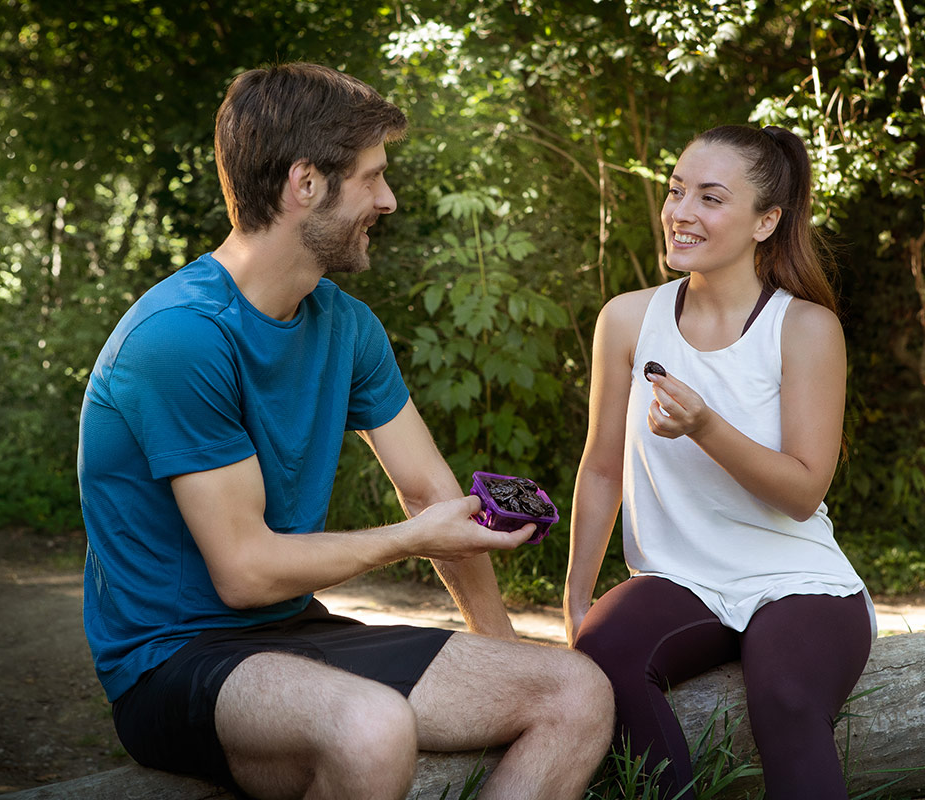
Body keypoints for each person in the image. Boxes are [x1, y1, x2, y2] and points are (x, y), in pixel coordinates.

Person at [77, 63, 613, 800]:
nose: (387, 201)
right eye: (372, 178)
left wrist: (499, 650)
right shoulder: (179, 338)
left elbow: (429, 491)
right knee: (370, 726)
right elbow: (245, 572)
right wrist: (407, 540)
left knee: (575, 691)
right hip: (172, 658)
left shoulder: (346, 326)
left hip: (296, 633)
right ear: (305, 184)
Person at [562, 124, 875, 800]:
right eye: (677, 192)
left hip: (798, 581)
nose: (680, 212)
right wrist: (578, 598)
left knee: (785, 695)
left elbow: (802, 490)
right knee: (605, 658)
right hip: (680, 578)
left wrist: (705, 425)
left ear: (767, 221)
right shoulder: (625, 320)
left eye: (709, 198)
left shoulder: (805, 327)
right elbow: (601, 469)